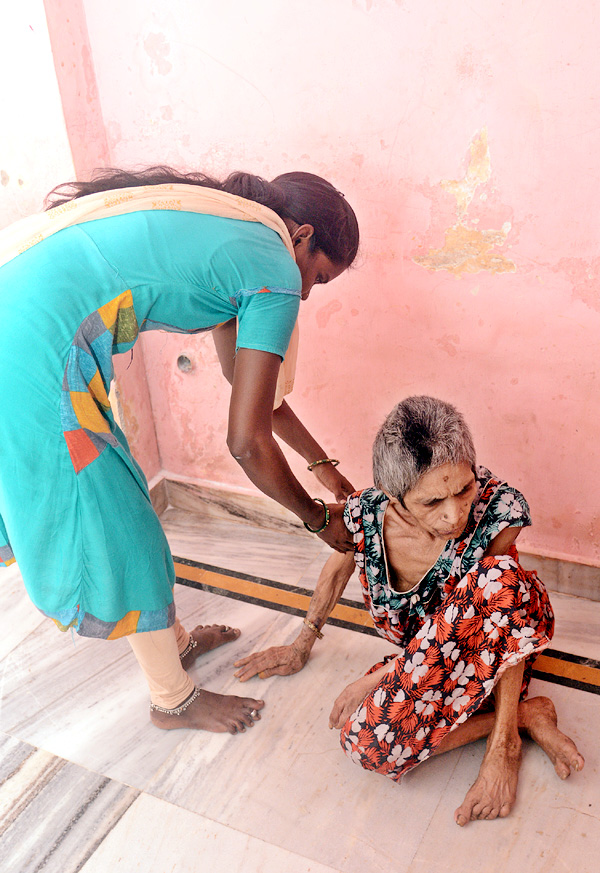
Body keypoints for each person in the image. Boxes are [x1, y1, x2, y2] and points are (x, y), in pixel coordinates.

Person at [0, 165, 359, 734]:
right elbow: (245, 442)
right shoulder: (273, 269)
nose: (309, 291)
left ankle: (177, 646)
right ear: (305, 235)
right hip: (30, 347)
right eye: (319, 275)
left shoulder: (233, 229)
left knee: (124, 503)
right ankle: (174, 701)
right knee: (119, 526)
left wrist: (325, 472)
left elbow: (250, 393)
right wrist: (316, 520)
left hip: (23, 311)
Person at [234, 396, 584, 823]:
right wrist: (302, 642)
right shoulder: (367, 514)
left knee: (498, 576)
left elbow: (498, 616)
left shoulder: (499, 510)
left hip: (499, 643)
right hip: (427, 656)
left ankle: (506, 740)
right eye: (432, 503)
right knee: (365, 742)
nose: (455, 513)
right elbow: (338, 566)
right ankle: (532, 715)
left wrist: (383, 677)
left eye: (463, 488)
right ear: (394, 499)